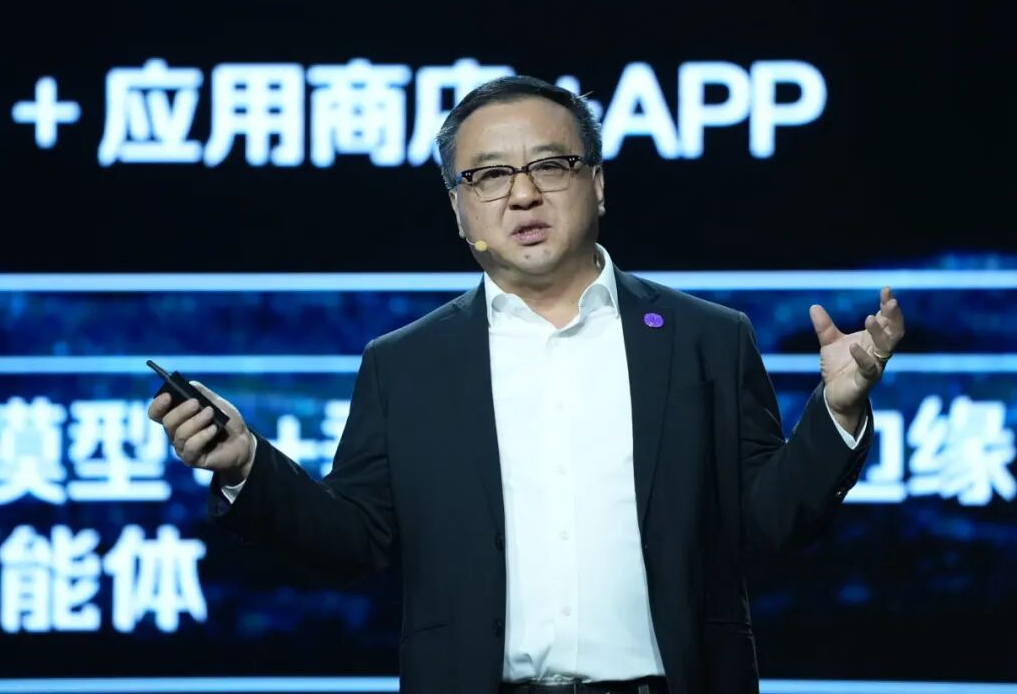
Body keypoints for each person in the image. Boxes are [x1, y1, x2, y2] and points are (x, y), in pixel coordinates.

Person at [148, 76, 905, 694]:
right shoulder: (406, 364)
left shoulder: (706, 337)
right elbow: (356, 543)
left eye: (550, 166)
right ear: (457, 207)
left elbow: (767, 526)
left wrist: (836, 413)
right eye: (488, 175)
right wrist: (248, 465)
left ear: (596, 184)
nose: (522, 195)